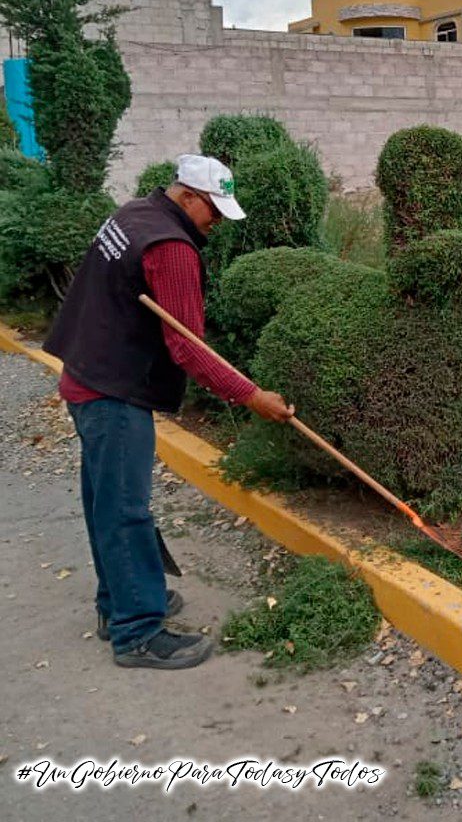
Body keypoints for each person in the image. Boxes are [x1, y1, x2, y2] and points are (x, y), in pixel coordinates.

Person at [44, 154, 294, 670]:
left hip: (85, 374)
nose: (218, 224)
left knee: (104, 501)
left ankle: (119, 604)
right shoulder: (171, 246)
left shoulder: (134, 214)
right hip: (114, 391)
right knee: (125, 509)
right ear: (187, 197)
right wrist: (251, 395)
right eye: (214, 212)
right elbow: (188, 348)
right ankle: (136, 632)